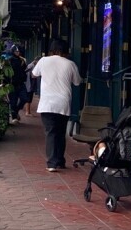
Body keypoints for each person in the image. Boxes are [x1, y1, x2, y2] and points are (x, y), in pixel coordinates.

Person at [31, 39, 81, 172]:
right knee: (60, 132)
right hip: (63, 103)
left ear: (52, 49)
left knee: (51, 132)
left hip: (47, 103)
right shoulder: (70, 64)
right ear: (65, 51)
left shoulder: (43, 61)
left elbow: (34, 74)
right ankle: (59, 160)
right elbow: (77, 82)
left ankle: (52, 162)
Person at [7, 46, 28, 124]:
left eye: (18, 51)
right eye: (16, 51)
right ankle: (14, 117)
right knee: (13, 101)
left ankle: (16, 111)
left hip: (21, 83)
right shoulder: (9, 61)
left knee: (25, 98)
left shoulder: (22, 60)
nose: (17, 53)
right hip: (12, 84)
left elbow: (25, 70)